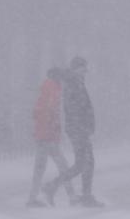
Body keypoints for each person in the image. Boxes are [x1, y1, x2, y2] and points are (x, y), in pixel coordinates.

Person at [43, 56, 104, 208]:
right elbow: (75, 108)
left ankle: (61, 188)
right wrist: (82, 126)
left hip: (79, 129)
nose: (85, 71)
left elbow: (80, 107)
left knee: (84, 163)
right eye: (83, 68)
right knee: (84, 163)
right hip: (78, 130)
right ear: (76, 68)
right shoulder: (73, 84)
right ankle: (57, 188)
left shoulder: (76, 82)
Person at [26, 68, 77, 207]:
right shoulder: (52, 89)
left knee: (41, 168)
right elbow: (51, 111)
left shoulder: (46, 89)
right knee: (63, 166)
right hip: (48, 137)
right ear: (56, 76)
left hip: (44, 135)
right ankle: (71, 196)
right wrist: (54, 130)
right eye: (60, 76)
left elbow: (38, 113)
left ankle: (33, 198)